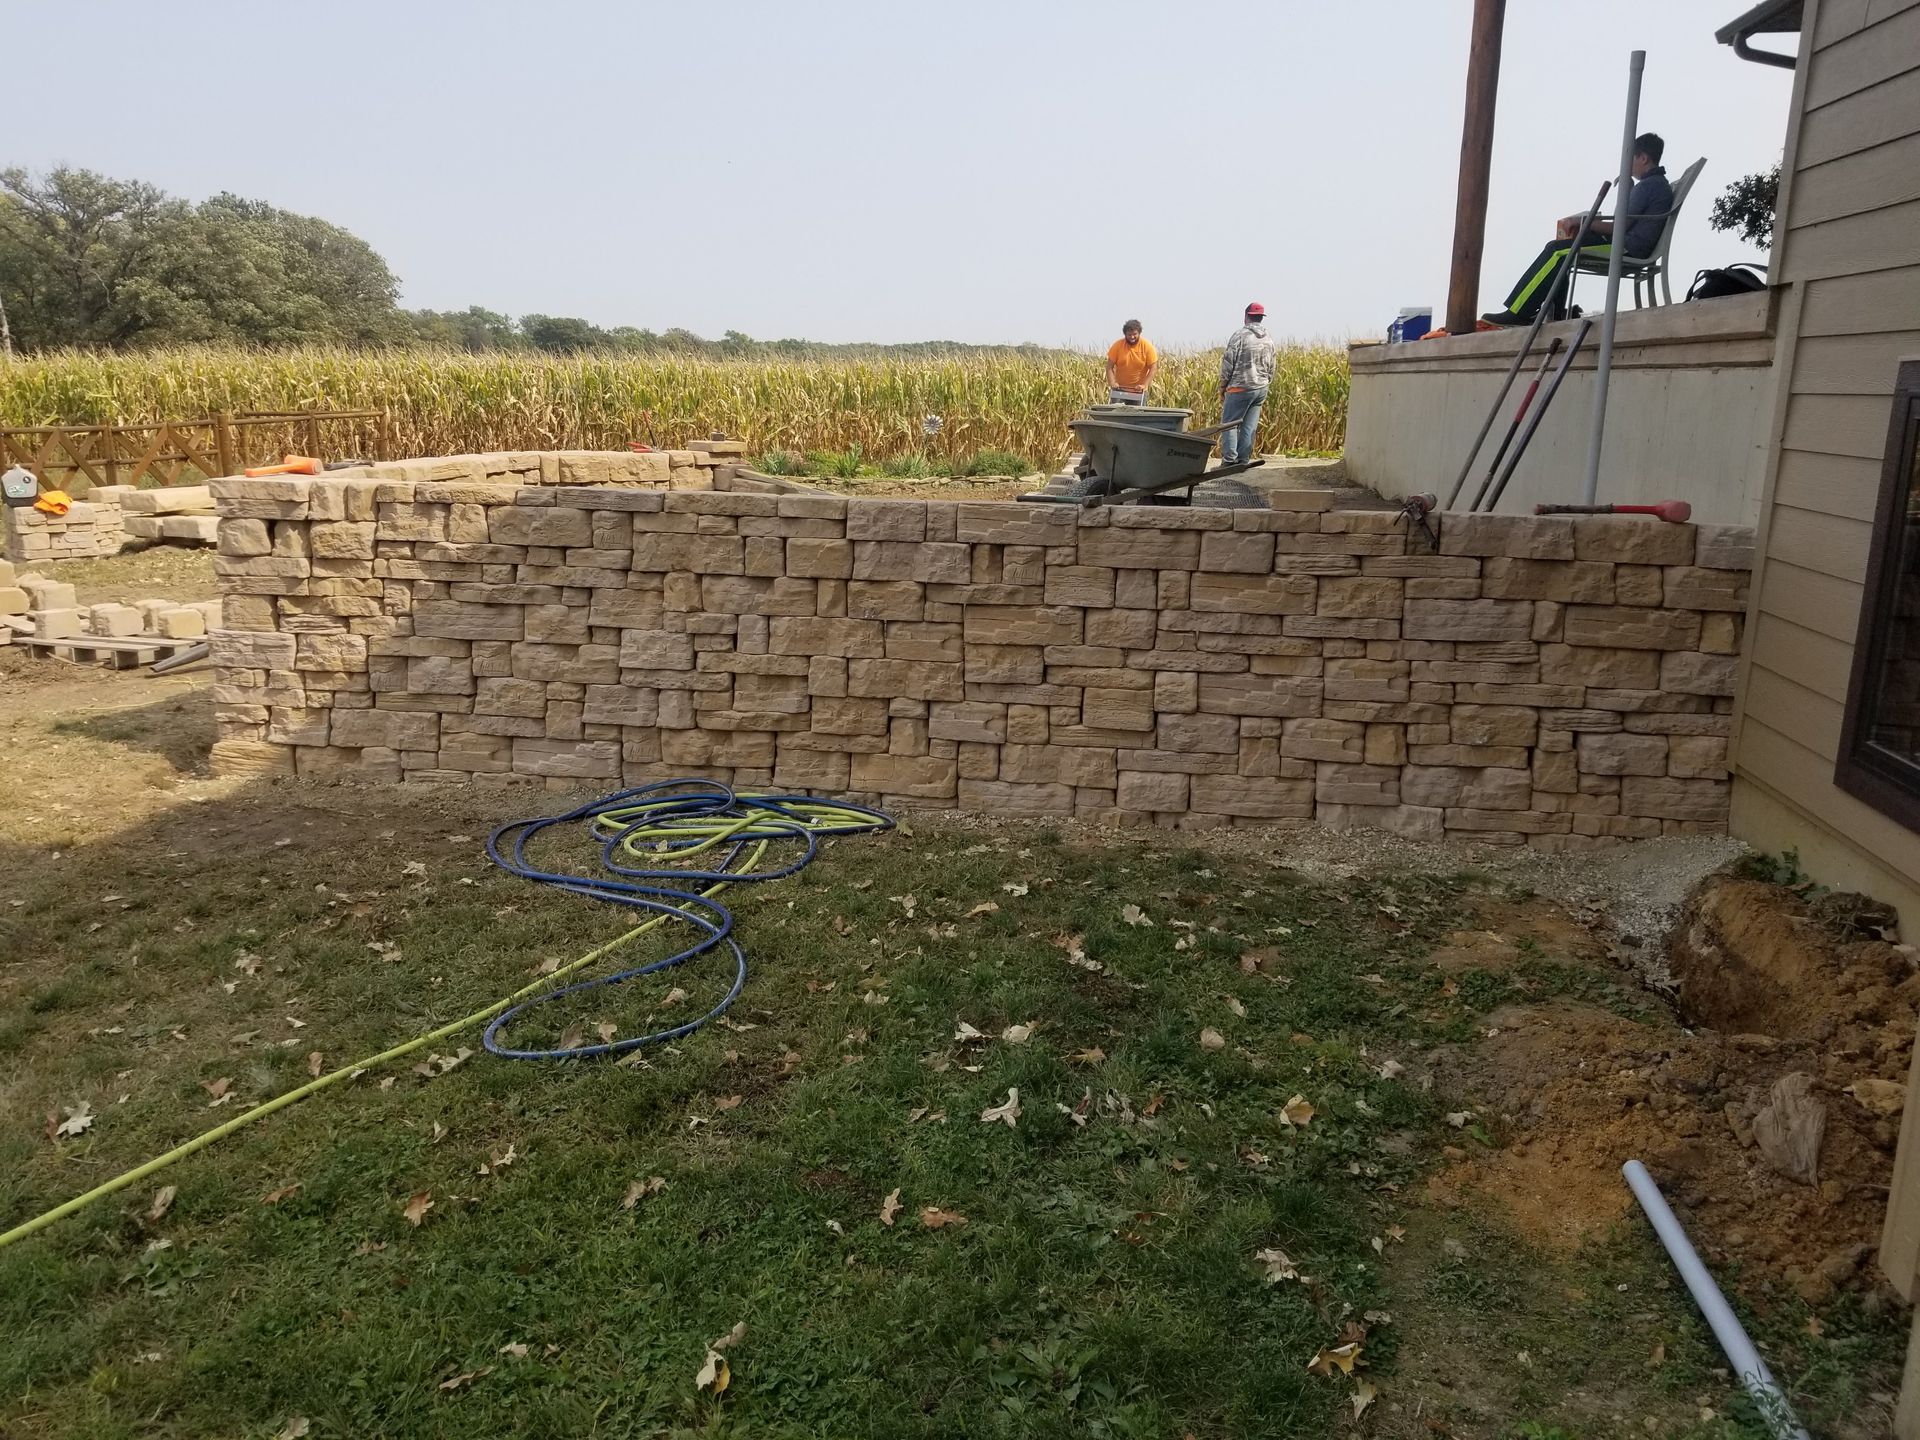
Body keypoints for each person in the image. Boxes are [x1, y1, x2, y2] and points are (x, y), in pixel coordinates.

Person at [1483, 133, 1675, 326]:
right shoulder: (1656, 185)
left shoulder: (1649, 186)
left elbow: (1619, 225)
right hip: (1627, 242)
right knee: (1558, 247)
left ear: (1643, 158)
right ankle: (1556, 312)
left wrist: (1584, 222)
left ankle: (1519, 312)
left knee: (1557, 251)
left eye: (1630, 158)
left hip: (1628, 247)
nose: (1627, 164)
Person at [1218, 302, 1276, 466]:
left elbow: (1228, 363)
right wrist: (1265, 382)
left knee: (1230, 423)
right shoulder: (1268, 338)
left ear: (1246, 317)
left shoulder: (1239, 336)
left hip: (1240, 387)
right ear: (1260, 318)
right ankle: (1243, 459)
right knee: (1249, 425)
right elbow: (1272, 365)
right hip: (1261, 388)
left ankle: (1229, 460)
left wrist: (1223, 386)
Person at [1104, 319, 1157, 405]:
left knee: (1137, 416)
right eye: (1129, 335)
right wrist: (1112, 382)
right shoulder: (1117, 345)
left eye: (1135, 334)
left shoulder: (1147, 347)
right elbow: (1109, 366)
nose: (1132, 337)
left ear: (1139, 333)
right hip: (1119, 390)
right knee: (1116, 414)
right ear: (1125, 334)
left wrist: (1145, 385)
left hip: (1138, 391)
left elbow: (1153, 368)